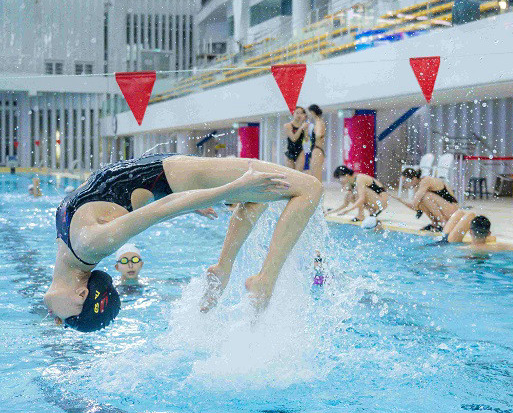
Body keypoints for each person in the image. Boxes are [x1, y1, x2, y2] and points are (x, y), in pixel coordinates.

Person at [43, 154, 322, 331]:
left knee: (263, 191)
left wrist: (228, 191)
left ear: (82, 296)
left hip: (167, 176)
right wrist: (223, 191)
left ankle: (229, 269)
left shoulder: (81, 247)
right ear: (81, 295)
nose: (57, 322)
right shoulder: (85, 246)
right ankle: (263, 279)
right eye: (65, 322)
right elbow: (166, 206)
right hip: (169, 175)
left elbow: (162, 206)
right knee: (309, 188)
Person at [441, 210, 513, 251]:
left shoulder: (463, 249)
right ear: (489, 233)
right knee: (462, 213)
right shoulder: (496, 247)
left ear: (470, 231)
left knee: (466, 213)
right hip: (448, 242)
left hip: (448, 242)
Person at [283, 107, 309, 171]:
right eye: (297, 113)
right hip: (289, 151)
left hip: (300, 151)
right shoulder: (287, 125)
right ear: (293, 114)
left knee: (299, 174)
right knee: (290, 174)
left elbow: (306, 139)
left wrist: (305, 129)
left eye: (301, 113)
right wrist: (301, 128)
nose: (299, 115)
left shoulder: (303, 125)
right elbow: (293, 139)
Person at [306, 104, 327, 182]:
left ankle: (318, 192)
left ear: (313, 112)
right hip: (317, 149)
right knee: (315, 173)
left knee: (316, 174)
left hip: (317, 149)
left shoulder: (318, 122)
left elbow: (319, 134)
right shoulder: (318, 122)